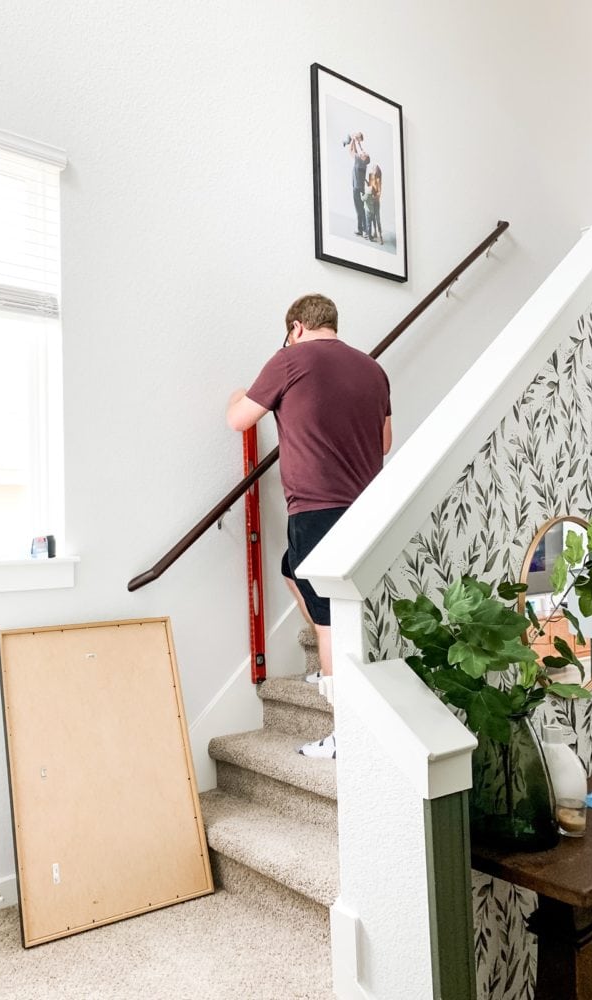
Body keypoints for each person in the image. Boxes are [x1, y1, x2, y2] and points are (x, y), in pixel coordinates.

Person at [226, 294, 392, 758]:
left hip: (316, 510)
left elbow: (239, 419)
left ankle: (345, 733)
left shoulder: (289, 359)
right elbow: (385, 440)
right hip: (365, 510)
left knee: (328, 624)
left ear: (296, 327)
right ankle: (332, 675)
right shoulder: (373, 369)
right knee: (290, 572)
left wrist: (237, 396)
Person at [348, 133, 371, 238]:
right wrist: (358, 143)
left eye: (364, 154)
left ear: (363, 158)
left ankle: (365, 231)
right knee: (361, 210)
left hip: (357, 189)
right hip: (360, 188)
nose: (363, 153)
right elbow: (358, 151)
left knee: (359, 210)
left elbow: (351, 151)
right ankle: (362, 230)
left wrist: (353, 140)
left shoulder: (358, 161)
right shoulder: (364, 164)